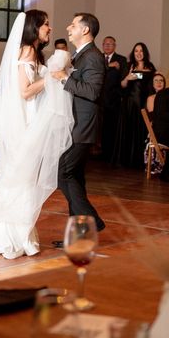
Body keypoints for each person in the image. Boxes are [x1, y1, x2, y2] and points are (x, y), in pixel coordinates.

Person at [0, 10, 74, 259]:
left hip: (30, 119)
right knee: (23, 178)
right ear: (34, 28)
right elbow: (25, 92)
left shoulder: (34, 53)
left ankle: (22, 234)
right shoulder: (27, 52)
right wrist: (51, 77)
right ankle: (10, 236)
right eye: (45, 25)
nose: (49, 29)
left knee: (26, 179)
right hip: (24, 122)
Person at [52, 12, 106, 233]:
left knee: (63, 173)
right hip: (75, 124)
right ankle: (79, 233)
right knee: (74, 176)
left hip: (82, 126)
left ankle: (91, 221)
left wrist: (64, 78)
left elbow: (93, 92)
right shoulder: (81, 54)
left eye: (73, 25)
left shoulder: (92, 56)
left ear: (85, 30)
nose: (68, 28)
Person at [113, 42, 156, 168]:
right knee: (129, 130)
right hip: (130, 104)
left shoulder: (150, 66)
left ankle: (140, 161)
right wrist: (127, 78)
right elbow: (122, 85)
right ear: (133, 53)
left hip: (144, 104)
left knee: (142, 131)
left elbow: (152, 85)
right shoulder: (128, 65)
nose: (139, 53)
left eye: (141, 51)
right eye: (136, 51)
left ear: (145, 53)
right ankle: (127, 160)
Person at [100, 36, 128, 162]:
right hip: (99, 99)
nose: (107, 46)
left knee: (111, 129)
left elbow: (125, 78)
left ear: (115, 46)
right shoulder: (99, 58)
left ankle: (110, 155)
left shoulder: (121, 60)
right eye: (105, 44)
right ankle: (101, 153)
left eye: (110, 44)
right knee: (100, 129)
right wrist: (108, 65)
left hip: (114, 100)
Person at [144, 72, 166, 176]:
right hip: (156, 128)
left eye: (161, 80)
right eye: (156, 81)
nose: (159, 83)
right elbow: (154, 117)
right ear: (152, 84)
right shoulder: (151, 98)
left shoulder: (168, 96)